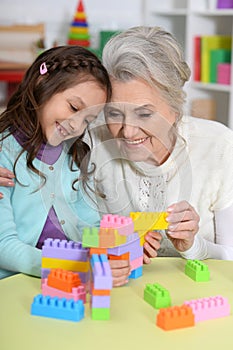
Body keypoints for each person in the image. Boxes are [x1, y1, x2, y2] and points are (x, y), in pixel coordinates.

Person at [2, 26, 233, 285]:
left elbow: (230, 257)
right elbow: (24, 128)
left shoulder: (219, 146)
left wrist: (191, 245)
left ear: (176, 107)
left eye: (145, 114)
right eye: (113, 113)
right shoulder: (83, 137)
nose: (128, 131)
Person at [0, 45, 111, 279]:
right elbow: (3, 245)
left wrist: (115, 246)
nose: (76, 125)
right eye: (74, 107)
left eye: (87, 120)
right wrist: (69, 266)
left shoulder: (73, 155)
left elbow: (89, 224)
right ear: (43, 84)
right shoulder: (4, 153)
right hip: (17, 281)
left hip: (64, 278)